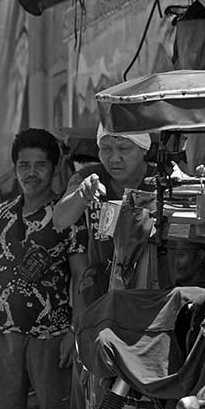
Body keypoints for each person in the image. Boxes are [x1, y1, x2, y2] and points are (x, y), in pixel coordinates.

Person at [0, 128, 89, 409]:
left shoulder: (67, 216)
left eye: (40, 165)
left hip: (51, 337)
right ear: (15, 168)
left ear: (53, 168)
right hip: (4, 333)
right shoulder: (0, 216)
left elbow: (81, 275)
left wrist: (74, 332)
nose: (31, 173)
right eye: (24, 165)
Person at [52, 125, 152, 303]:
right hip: (100, 293)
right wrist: (81, 196)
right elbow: (60, 221)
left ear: (144, 149)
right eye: (105, 148)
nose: (114, 158)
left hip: (151, 292)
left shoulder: (163, 179)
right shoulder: (87, 178)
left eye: (124, 148)